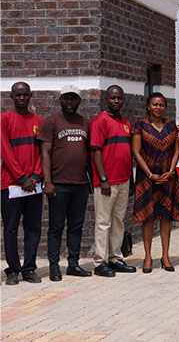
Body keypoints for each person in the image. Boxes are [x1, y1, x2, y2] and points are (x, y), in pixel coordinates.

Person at [39, 85, 93, 281]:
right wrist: (48, 181)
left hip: (79, 183)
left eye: (74, 98)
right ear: (60, 99)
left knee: (76, 226)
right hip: (59, 183)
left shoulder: (85, 123)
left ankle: (73, 264)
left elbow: (89, 153)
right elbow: (45, 153)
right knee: (56, 227)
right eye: (66, 98)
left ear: (79, 101)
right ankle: (54, 266)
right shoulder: (51, 122)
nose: (70, 102)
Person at [131, 92, 179, 274]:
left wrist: (171, 170)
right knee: (148, 217)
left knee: (166, 216)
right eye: (155, 104)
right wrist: (150, 174)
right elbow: (136, 152)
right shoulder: (140, 126)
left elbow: (177, 150)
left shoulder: (171, 126)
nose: (158, 108)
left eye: (161, 105)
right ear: (148, 106)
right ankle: (147, 256)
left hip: (168, 178)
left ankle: (165, 255)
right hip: (148, 179)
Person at [90, 85, 136, 277]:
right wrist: (103, 179)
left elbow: (127, 154)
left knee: (118, 221)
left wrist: (131, 180)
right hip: (106, 182)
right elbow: (96, 151)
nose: (116, 101)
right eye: (113, 98)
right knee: (103, 222)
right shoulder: (100, 121)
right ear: (106, 99)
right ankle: (100, 261)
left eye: (119, 98)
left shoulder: (125, 122)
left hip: (124, 180)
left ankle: (115, 257)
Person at [1, 82, 43, 285]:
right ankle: (12, 270)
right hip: (11, 184)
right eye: (18, 95)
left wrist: (35, 176)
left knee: (33, 227)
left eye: (25, 94)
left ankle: (29, 268)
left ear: (31, 96)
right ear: (12, 96)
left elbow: (43, 153)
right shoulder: (5, 119)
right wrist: (21, 178)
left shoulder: (38, 121)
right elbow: (5, 152)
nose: (22, 98)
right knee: (10, 228)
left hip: (33, 185)